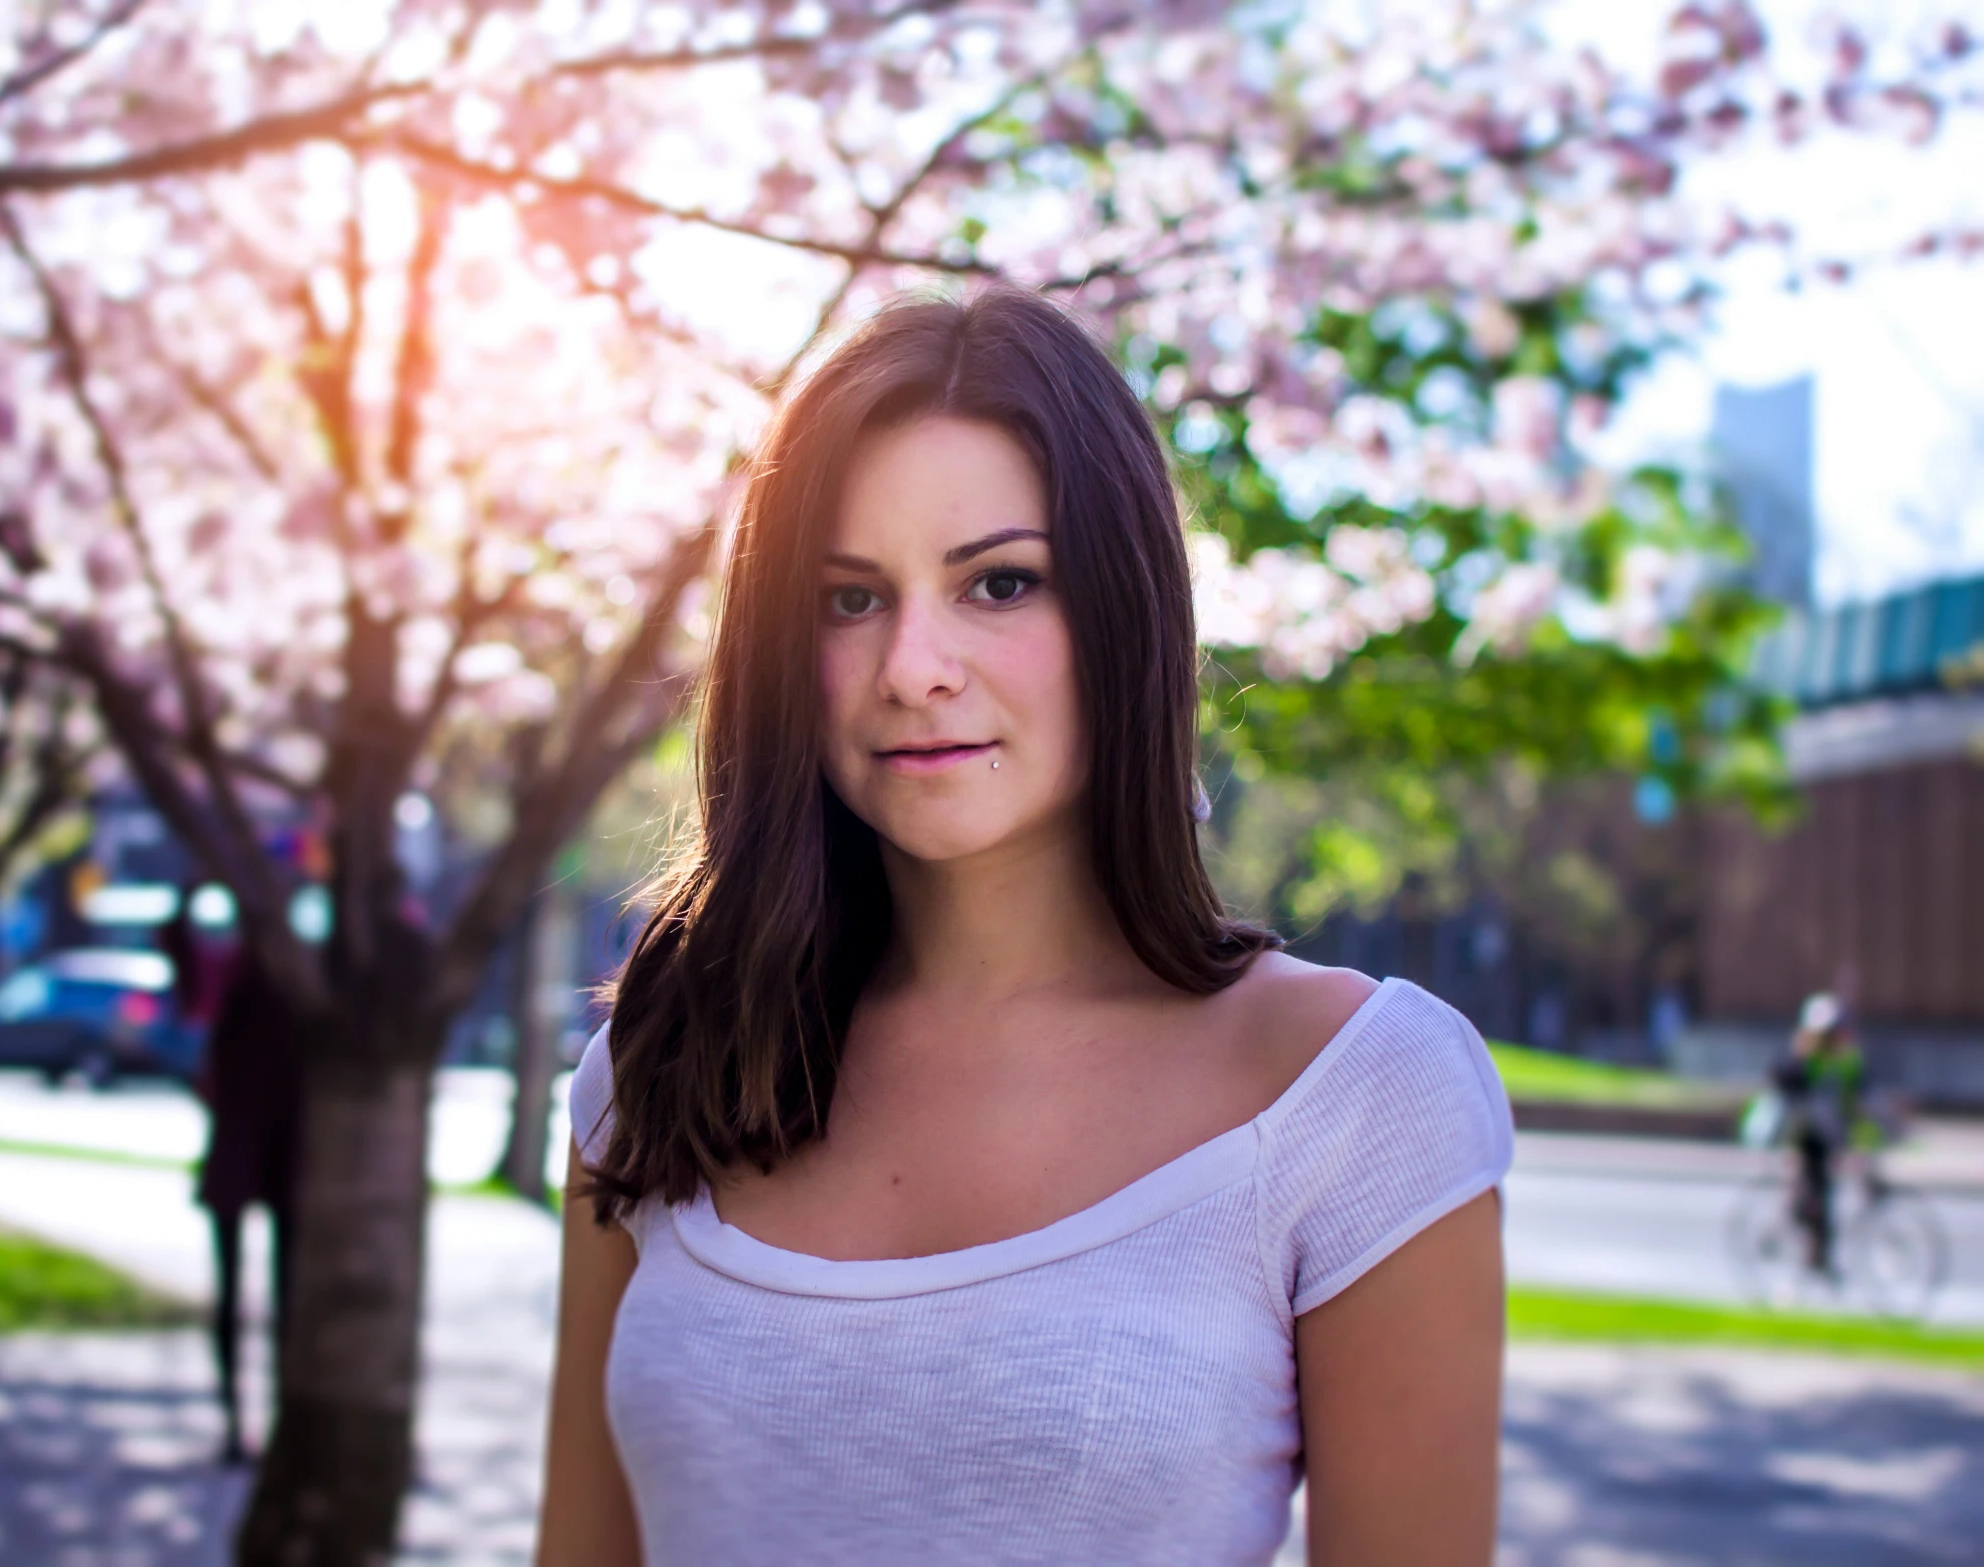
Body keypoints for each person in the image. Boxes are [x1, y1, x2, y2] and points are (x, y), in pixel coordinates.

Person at [536, 290, 1513, 1566]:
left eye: (999, 582)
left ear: (1123, 612)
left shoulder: (1356, 1096)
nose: (912, 666)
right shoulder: (661, 1069)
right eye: (848, 600)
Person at [193, 948, 304, 1465]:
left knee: (282, 1299)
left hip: (275, 1156)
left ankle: (269, 1420)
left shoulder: (292, 978)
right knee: (249, 1297)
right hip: (257, 1154)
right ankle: (238, 1419)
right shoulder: (243, 972)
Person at [1772, 991, 1869, 1277]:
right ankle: (1806, 1238)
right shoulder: (1803, 1057)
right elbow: (1789, 1091)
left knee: (1827, 1197)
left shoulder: (1846, 1058)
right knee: (1813, 1192)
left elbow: (1856, 1095)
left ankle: (1819, 1254)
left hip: (1829, 1135)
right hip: (1806, 1135)